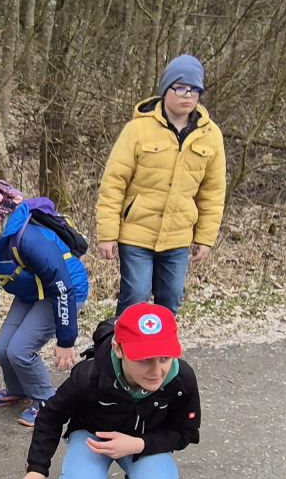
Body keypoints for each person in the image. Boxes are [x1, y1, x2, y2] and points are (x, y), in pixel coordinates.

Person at [20, 303, 201, 479]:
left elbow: (186, 432)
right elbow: (51, 415)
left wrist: (138, 444)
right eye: (144, 360)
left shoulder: (182, 379)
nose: (157, 372)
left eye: (165, 358)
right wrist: (37, 467)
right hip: (94, 437)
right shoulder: (89, 375)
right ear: (118, 349)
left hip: (144, 442)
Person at [95, 54, 226, 313]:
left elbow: (213, 192)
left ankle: (162, 343)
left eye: (194, 89)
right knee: (135, 296)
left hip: (178, 236)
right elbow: (113, 184)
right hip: (136, 232)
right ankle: (122, 340)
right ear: (166, 89)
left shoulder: (210, 135)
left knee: (172, 298)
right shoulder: (137, 130)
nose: (188, 95)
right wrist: (107, 234)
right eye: (181, 88)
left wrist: (205, 237)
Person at [0, 178, 90, 427]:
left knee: (20, 350)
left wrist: (66, 341)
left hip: (66, 291)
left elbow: (61, 287)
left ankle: (47, 401)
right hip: (32, 291)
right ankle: (18, 389)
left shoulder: (29, 239)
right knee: (3, 348)